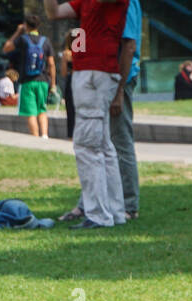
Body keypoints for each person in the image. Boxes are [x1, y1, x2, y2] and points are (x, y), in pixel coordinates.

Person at [43, 0, 129, 230]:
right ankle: (114, 211)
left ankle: (99, 215)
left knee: (87, 146)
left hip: (95, 73)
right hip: (90, 72)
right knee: (102, 146)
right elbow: (54, 12)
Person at [114, 0, 143, 220]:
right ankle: (90, 201)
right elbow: (79, 34)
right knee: (95, 144)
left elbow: (130, 44)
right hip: (96, 78)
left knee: (120, 140)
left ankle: (129, 205)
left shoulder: (126, 3)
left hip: (118, 79)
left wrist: (119, 89)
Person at [5, 16, 55, 138]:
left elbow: (6, 47)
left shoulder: (22, 39)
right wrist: (53, 84)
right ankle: (44, 136)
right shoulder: (45, 41)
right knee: (42, 110)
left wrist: (18, 31)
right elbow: (51, 64)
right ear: (38, 26)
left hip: (27, 82)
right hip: (43, 81)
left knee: (31, 112)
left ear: (26, 25)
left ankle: (35, 138)